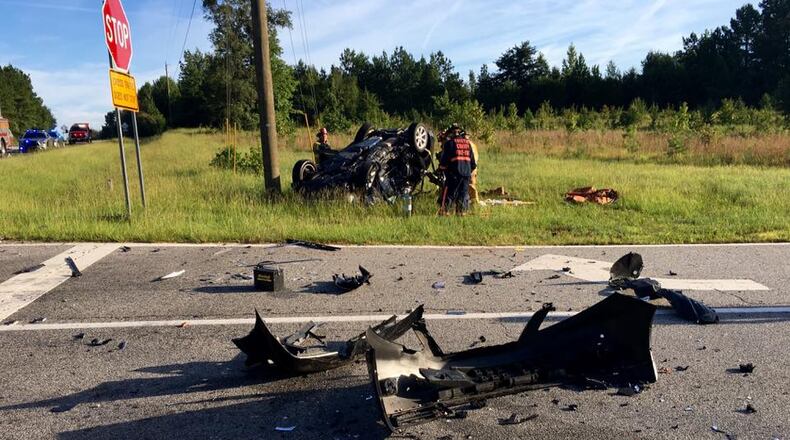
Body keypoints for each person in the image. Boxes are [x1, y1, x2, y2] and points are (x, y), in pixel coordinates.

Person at [437, 123, 476, 215]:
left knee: (449, 194)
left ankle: (445, 212)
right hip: (466, 174)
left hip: (453, 174)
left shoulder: (449, 144)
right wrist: (467, 170)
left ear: (451, 134)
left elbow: (444, 162)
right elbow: (473, 164)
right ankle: (461, 214)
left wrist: (441, 169)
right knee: (463, 194)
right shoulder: (468, 144)